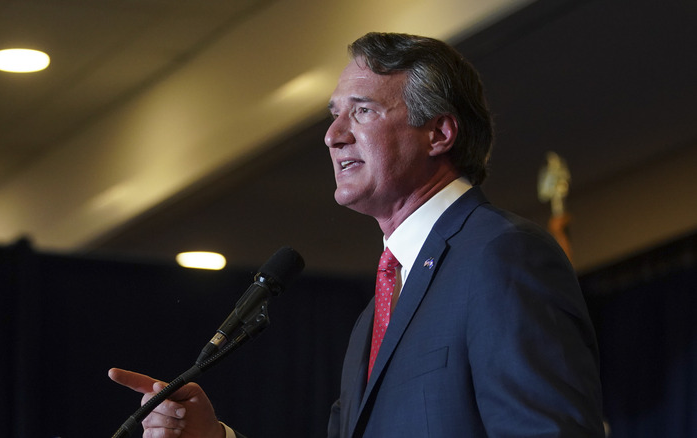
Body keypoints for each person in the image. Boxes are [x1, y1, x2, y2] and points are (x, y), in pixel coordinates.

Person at [109, 32, 604, 437]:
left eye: (363, 110)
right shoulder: (380, 308)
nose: (333, 134)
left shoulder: (502, 255)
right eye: (335, 113)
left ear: (439, 134)